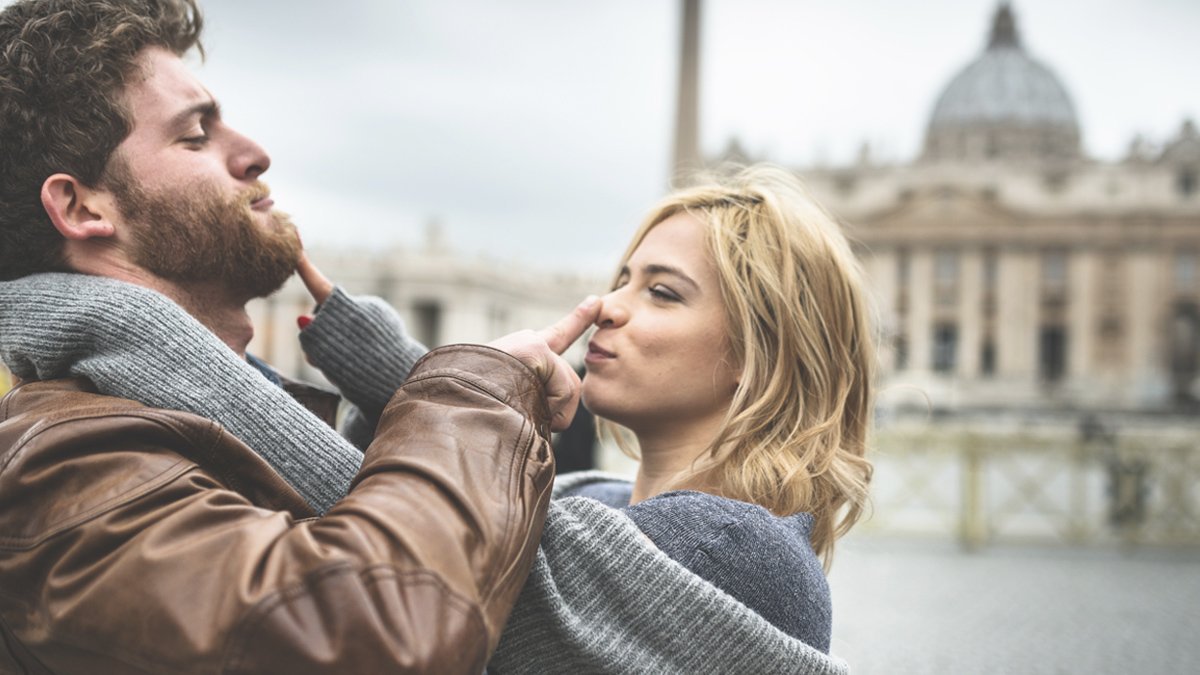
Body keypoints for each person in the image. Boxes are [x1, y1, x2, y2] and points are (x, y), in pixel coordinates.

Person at [0, 0, 597, 672]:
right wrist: (474, 391)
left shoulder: (179, 421)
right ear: (82, 207)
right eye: (196, 136)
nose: (255, 154)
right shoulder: (58, 476)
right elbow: (374, 636)